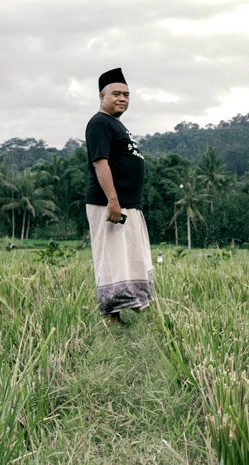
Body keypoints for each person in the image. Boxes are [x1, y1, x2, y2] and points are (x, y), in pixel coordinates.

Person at [85, 68, 154, 326]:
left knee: (128, 257)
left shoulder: (116, 124)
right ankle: (108, 315)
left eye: (126, 94)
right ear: (102, 96)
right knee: (112, 258)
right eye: (116, 94)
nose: (122, 98)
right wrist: (113, 201)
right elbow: (100, 163)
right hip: (110, 204)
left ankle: (122, 309)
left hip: (126, 203)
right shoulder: (100, 123)